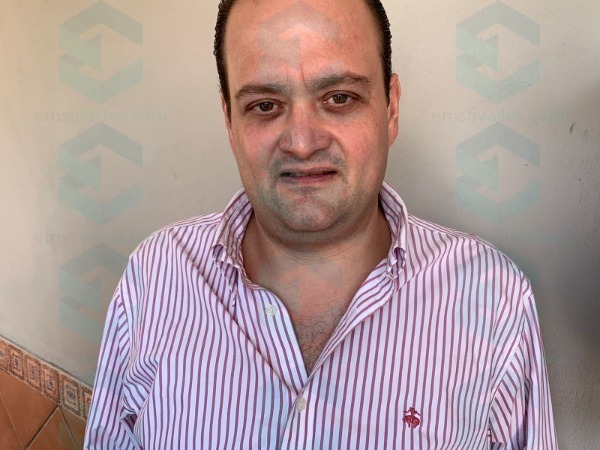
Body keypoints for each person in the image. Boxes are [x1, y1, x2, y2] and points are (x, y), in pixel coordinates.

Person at [84, 0, 558, 448]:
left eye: (339, 98)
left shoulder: (493, 298)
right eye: (265, 105)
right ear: (229, 120)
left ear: (391, 108)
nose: (302, 142)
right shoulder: (155, 276)